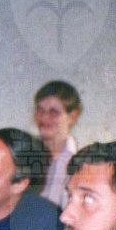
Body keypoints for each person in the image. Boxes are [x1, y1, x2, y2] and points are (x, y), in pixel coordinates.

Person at [32, 80, 81, 208]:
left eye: (53, 112)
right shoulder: (21, 155)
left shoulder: (81, 163)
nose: (44, 118)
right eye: (40, 110)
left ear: (72, 116)